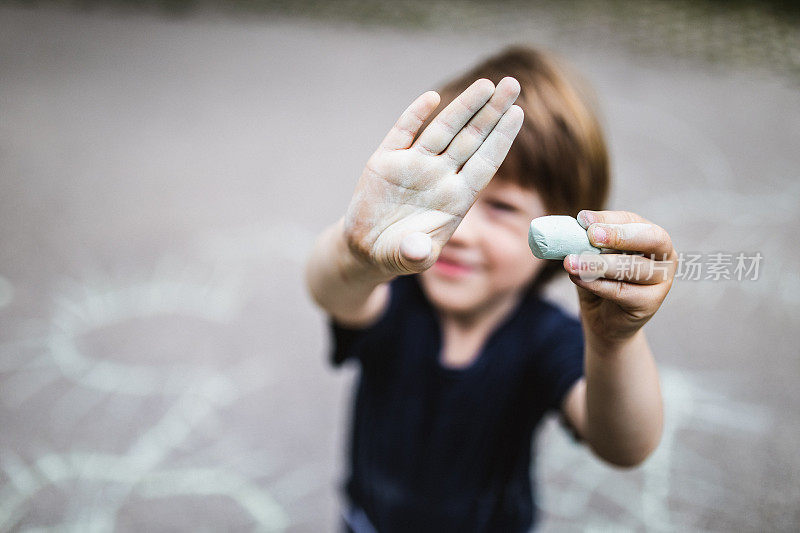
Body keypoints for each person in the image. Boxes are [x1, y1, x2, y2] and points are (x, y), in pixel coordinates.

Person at [304, 45, 676, 532]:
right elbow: (330, 289)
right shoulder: (395, 295)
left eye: (500, 208)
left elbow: (624, 445)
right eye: (448, 195)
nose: (459, 231)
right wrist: (357, 253)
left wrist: (614, 342)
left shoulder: (546, 337)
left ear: (561, 229)